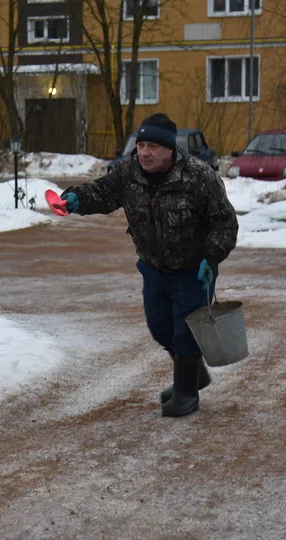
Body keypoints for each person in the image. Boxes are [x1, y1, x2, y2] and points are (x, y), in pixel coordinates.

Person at [56, 113, 239, 418]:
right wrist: (75, 198)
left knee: (186, 331)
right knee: (160, 328)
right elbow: (103, 193)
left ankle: (186, 392)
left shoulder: (199, 177)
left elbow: (224, 223)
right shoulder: (128, 173)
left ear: (170, 149)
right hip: (154, 268)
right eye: (141, 145)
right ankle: (193, 374)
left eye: (153, 146)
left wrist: (212, 257)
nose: (144, 152)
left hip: (194, 269)